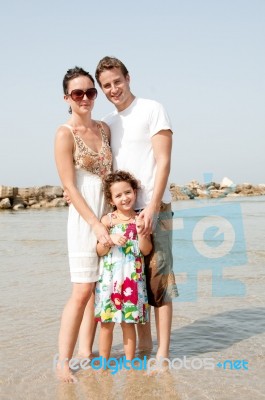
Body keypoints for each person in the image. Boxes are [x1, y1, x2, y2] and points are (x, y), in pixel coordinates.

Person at [94, 56, 179, 360]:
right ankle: (144, 349)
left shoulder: (152, 109)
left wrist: (153, 207)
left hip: (155, 208)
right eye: (106, 85)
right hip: (123, 215)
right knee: (136, 284)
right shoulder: (108, 123)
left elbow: (164, 162)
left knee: (160, 283)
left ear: (128, 78)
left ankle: (163, 354)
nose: (113, 89)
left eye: (117, 81)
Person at [54, 66, 113, 382]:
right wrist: (94, 224)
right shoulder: (64, 133)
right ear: (67, 97)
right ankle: (63, 361)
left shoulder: (105, 129)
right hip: (84, 218)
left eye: (91, 91)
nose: (86, 97)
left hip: (107, 214)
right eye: (78, 93)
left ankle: (85, 353)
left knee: (98, 290)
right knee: (81, 290)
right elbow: (70, 186)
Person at [95, 170, 152, 361]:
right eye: (118, 195)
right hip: (110, 280)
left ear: (135, 192)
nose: (124, 198)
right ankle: (103, 364)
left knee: (128, 322)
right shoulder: (108, 220)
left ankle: (129, 364)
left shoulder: (140, 219)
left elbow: (145, 250)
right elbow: (99, 251)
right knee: (106, 323)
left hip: (132, 280)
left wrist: (141, 233)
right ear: (111, 200)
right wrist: (109, 239)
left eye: (128, 192)